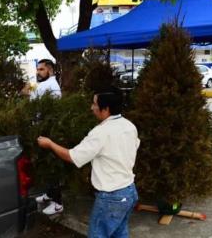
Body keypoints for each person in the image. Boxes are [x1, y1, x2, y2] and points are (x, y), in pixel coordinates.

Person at [37, 86, 140, 237]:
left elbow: (72, 157)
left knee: (97, 234)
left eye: (94, 104)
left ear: (105, 109)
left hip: (111, 197)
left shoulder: (101, 132)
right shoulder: (129, 126)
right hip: (129, 192)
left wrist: (50, 144)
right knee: (119, 233)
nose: (92, 108)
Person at [21, 59, 63, 215]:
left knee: (51, 167)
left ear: (50, 70)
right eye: (37, 69)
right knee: (43, 165)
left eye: (41, 69)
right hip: (39, 128)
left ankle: (58, 203)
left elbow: (51, 111)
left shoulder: (52, 86)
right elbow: (24, 92)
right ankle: (49, 194)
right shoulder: (41, 84)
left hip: (48, 130)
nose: (38, 72)